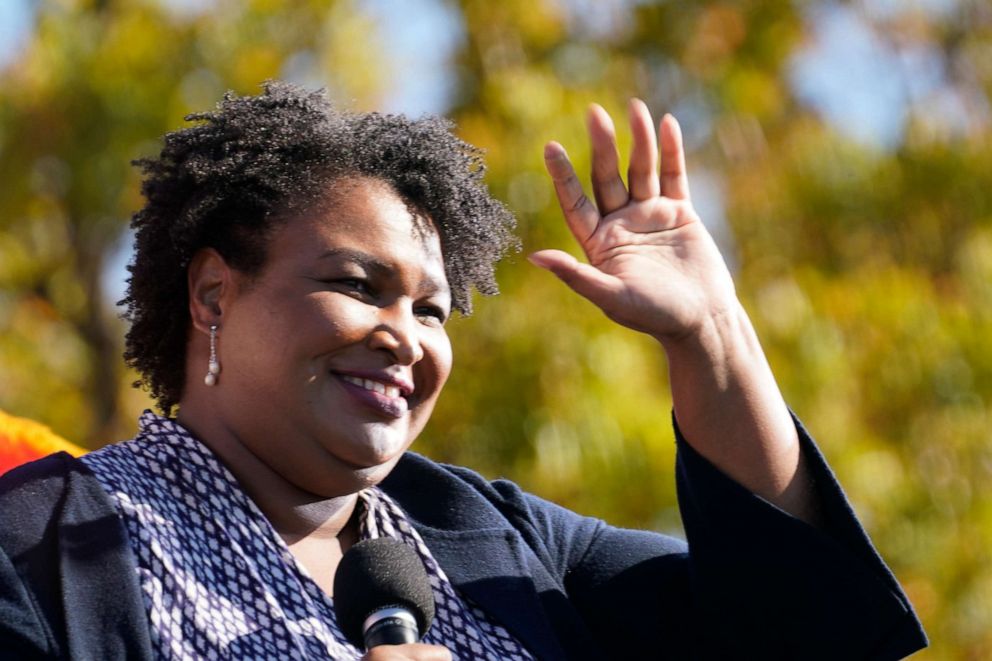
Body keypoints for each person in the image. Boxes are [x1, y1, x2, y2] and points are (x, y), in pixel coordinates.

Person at [0, 82, 926, 660]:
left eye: (433, 309)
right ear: (212, 295)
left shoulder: (494, 538)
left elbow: (805, 632)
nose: (406, 335)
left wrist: (711, 334)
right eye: (358, 285)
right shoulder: (36, 547)